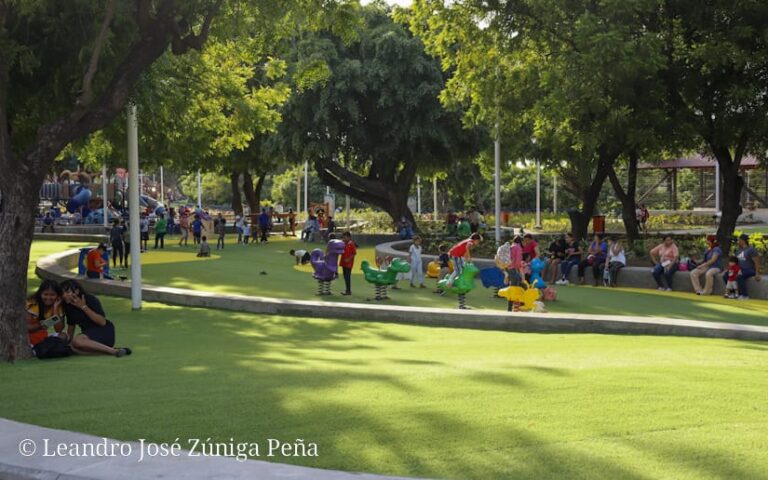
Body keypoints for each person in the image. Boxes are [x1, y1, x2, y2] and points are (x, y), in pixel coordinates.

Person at [60, 280, 131, 357]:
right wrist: (68, 342)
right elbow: (71, 326)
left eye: (67, 292)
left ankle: (113, 351)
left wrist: (83, 307)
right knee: (72, 348)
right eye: (62, 293)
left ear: (77, 291)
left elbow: (102, 322)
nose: (64, 295)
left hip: (104, 331)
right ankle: (113, 351)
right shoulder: (67, 306)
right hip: (87, 336)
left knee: (77, 341)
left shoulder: (90, 299)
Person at [26, 280, 66, 349]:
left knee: (63, 336)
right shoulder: (32, 304)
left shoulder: (58, 305)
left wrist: (55, 308)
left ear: (57, 295)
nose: (48, 298)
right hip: (28, 338)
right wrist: (39, 325)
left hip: (43, 337)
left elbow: (58, 329)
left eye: (52, 295)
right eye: (46, 294)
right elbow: (25, 328)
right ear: (40, 294)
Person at [725, 233, 762, 300]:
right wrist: (729, 269)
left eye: (739, 240)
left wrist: (757, 273)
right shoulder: (738, 250)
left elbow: (757, 262)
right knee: (726, 275)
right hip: (739, 269)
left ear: (743, 241)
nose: (738, 242)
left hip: (749, 270)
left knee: (740, 276)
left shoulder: (751, 250)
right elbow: (735, 262)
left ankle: (744, 295)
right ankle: (733, 293)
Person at [340, 231, 357, 295]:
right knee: (345, 276)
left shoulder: (351, 244)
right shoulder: (344, 243)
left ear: (349, 237)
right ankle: (347, 290)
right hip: (344, 263)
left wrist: (349, 259)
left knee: (347, 277)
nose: (343, 239)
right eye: (343, 238)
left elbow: (354, 253)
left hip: (348, 264)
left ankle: (348, 291)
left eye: (345, 238)